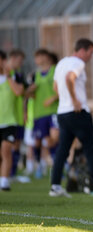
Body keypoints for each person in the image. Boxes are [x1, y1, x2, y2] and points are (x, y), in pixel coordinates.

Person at [50, 38, 93, 198]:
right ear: (83, 50)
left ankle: (55, 185)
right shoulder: (78, 63)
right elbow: (70, 77)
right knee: (91, 149)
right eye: (91, 52)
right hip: (77, 113)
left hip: (63, 112)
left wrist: (66, 99)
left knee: (63, 150)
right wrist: (74, 100)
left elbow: (55, 87)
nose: (90, 57)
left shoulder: (61, 63)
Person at [26, 49, 59, 173]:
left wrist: (53, 98)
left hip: (53, 111)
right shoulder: (36, 75)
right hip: (39, 112)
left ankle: (58, 165)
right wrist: (30, 90)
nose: (36, 60)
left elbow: (62, 88)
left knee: (55, 137)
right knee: (40, 142)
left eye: (38, 57)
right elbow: (27, 95)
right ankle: (40, 164)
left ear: (46, 57)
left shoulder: (55, 70)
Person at [0, 50, 23, 190]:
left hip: (9, 121)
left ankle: (4, 181)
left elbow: (19, 92)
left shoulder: (14, 76)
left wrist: (9, 77)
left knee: (6, 150)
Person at [7, 49, 26, 177]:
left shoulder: (18, 75)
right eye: (20, 60)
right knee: (7, 146)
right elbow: (19, 91)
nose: (21, 63)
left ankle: (12, 173)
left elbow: (23, 93)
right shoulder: (6, 74)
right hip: (7, 115)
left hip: (17, 115)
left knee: (17, 144)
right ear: (13, 58)